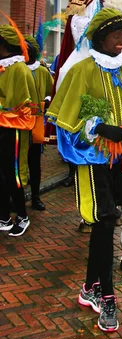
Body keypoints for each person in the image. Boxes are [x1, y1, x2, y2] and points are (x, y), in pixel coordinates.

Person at [47, 9, 122, 332]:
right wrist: (101, 128)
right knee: (103, 220)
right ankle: (107, 298)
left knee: (108, 223)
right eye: (116, 35)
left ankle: (89, 288)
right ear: (101, 36)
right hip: (91, 159)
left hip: (119, 160)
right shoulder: (82, 70)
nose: (121, 41)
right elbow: (68, 119)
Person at [0, 24, 38, 236]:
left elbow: (22, 106)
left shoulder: (19, 69)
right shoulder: (3, 67)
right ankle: (4, 217)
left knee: (12, 173)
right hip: (2, 128)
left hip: (13, 131)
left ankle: (22, 216)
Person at [25, 35, 53, 211]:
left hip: (35, 123)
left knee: (34, 162)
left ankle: (36, 196)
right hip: (15, 123)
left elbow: (52, 91)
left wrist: (46, 101)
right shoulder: (13, 69)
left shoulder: (42, 71)